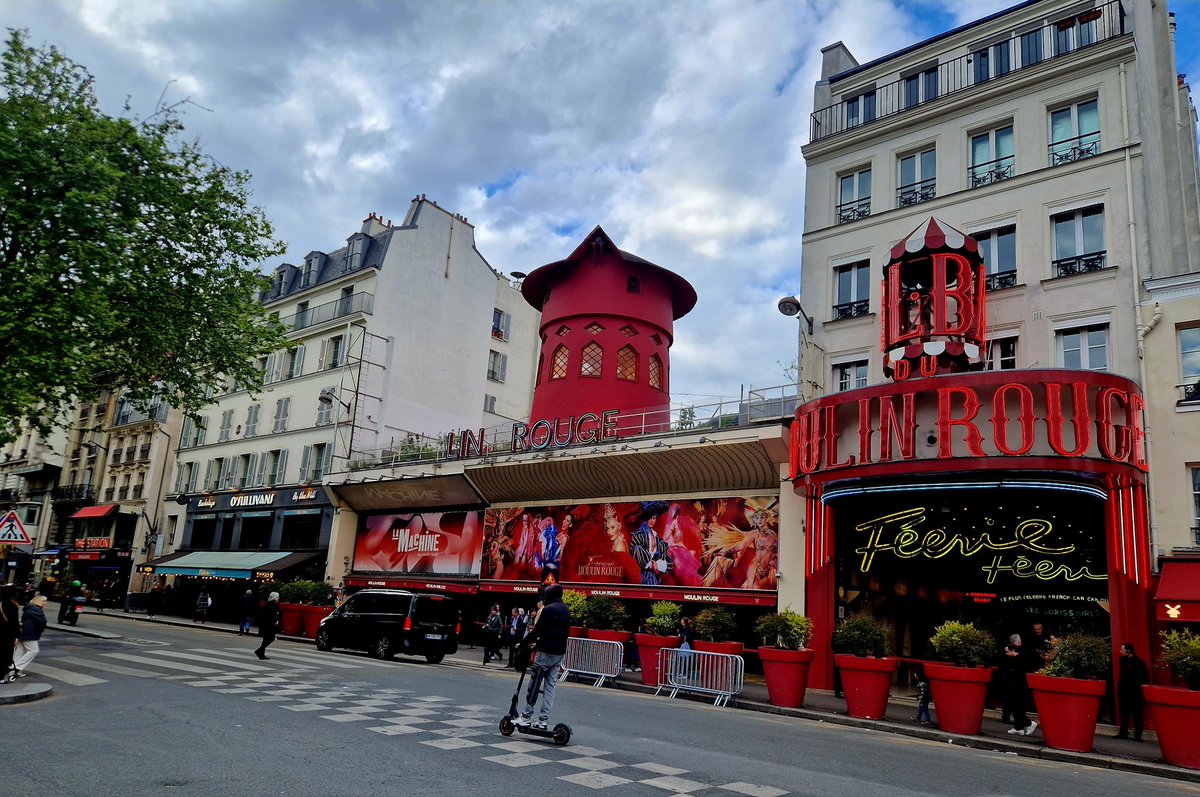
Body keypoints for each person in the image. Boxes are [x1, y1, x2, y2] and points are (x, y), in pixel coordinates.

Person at [514, 584, 571, 730]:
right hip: (559, 653)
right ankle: (543, 720)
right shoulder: (565, 610)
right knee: (550, 687)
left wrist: (523, 644)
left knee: (535, 682)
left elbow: (537, 631)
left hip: (545, 652)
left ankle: (526, 716)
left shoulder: (548, 610)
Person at [631, 501, 673, 586]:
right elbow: (635, 553)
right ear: (645, 519)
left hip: (654, 577)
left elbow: (667, 559)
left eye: (653, 518)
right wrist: (650, 565)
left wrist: (657, 565)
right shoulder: (639, 535)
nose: (651, 521)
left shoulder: (658, 539)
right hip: (641, 576)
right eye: (649, 518)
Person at [1003, 634, 1037, 736]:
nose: (1006, 653)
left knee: (1017, 706)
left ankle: (1029, 723)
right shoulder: (1019, 656)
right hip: (1017, 685)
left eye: (1008, 651)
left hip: (1019, 686)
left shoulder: (1021, 657)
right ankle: (1019, 727)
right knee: (1016, 707)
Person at [1115, 642, 1150, 740]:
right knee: (1124, 713)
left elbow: (1145, 678)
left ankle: (1138, 735)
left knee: (1137, 714)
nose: (1121, 651)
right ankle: (1123, 733)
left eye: (1122, 650)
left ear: (1128, 651)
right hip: (1125, 691)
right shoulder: (1122, 660)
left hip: (1135, 693)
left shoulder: (1139, 663)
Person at [11, 594, 48, 678]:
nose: (46, 603)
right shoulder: (36, 610)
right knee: (34, 650)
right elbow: (43, 621)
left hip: (24, 632)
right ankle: (17, 668)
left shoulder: (29, 608)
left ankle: (14, 670)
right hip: (30, 634)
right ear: (39, 601)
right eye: (44, 601)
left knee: (20, 652)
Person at [1, 585, 21, 682]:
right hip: (7, 635)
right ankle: (0, 677)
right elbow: (14, 622)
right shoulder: (13, 606)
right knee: (6, 656)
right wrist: (16, 636)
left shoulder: (0, 604)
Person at [255, 592, 281, 660]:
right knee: (271, 638)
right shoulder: (271, 605)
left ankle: (261, 653)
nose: (278, 598)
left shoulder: (270, 604)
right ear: (274, 597)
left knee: (266, 639)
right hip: (269, 625)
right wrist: (275, 621)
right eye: (277, 597)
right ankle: (260, 650)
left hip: (267, 625)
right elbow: (271, 616)